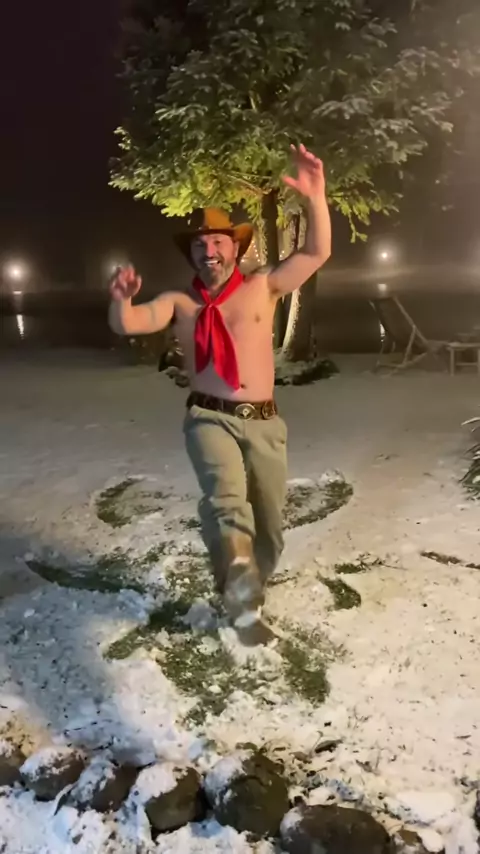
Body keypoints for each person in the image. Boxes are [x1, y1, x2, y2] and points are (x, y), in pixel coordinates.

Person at [109, 144, 331, 645]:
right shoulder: (179, 302)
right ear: (190, 254)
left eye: (217, 242)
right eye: (199, 245)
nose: (208, 251)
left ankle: (247, 587)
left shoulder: (262, 286)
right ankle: (242, 605)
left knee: (269, 526)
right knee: (228, 504)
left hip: (265, 421)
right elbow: (131, 322)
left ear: (235, 247)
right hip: (209, 418)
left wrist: (316, 197)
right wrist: (121, 301)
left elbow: (316, 253)